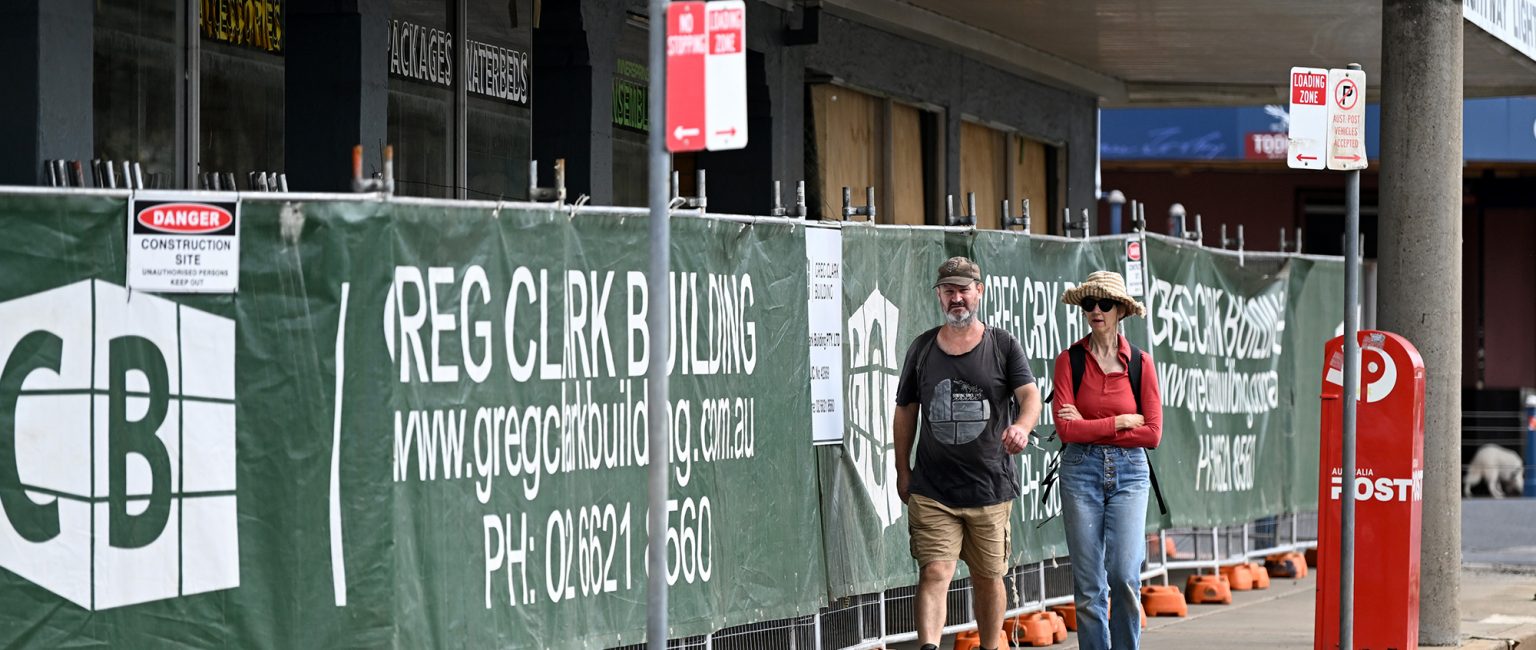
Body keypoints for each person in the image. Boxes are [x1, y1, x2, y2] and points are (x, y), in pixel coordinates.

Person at [893, 256, 1043, 650]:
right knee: (935, 571)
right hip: (933, 490)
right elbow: (905, 409)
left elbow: (1030, 396)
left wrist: (1021, 427)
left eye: (963, 289)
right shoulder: (923, 348)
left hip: (990, 489)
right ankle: (928, 647)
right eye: (948, 291)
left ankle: (992, 645)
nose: (956, 298)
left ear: (979, 291)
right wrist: (901, 470)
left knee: (988, 577)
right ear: (939, 296)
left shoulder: (1003, 345)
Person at [1051, 270, 1163, 650]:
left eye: (1105, 304)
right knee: (1088, 585)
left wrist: (1089, 424)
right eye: (1089, 304)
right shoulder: (1069, 361)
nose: (1096, 310)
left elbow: (1152, 434)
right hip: (1080, 470)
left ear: (1121, 312)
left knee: (1124, 575)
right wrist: (1118, 421)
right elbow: (1067, 432)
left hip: (1131, 471)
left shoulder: (1141, 364)